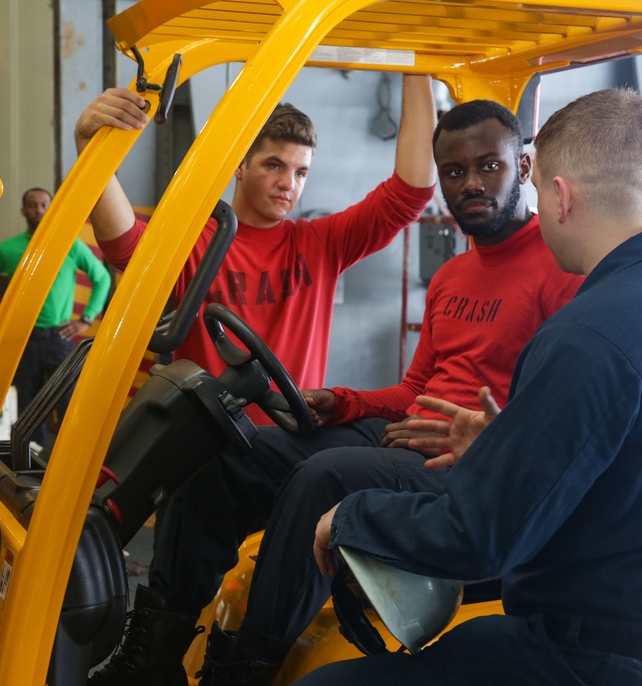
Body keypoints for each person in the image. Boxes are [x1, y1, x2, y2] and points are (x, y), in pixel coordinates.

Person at [88, 99, 583, 686]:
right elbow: (413, 390)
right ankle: (155, 652)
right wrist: (344, 401)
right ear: (240, 168)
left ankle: (240, 676)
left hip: (467, 462)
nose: (470, 184)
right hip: (403, 436)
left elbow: (567, 418)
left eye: (488, 167)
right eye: (454, 172)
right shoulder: (453, 276)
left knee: (326, 475)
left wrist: (490, 438)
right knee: (220, 456)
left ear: (524, 168)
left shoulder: (560, 270)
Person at [286, 88, 642, 686]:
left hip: (587, 665)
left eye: (538, 191)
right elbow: (636, 478)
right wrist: (505, 449)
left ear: (560, 195)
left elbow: (478, 539)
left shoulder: (588, 333)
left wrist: (351, 516)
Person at [74, 76, 437, 425]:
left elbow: (411, 194)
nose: (288, 184)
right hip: (210, 449)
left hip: (291, 445)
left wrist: (417, 66)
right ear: (240, 165)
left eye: (301, 172)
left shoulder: (322, 244)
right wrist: (90, 148)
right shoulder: (199, 243)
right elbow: (124, 245)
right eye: (274, 165)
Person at [0, 187, 111, 447]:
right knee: (29, 408)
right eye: (33, 205)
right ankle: (31, 469)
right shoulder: (9, 249)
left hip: (60, 338)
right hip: (25, 341)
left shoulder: (70, 245)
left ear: (51, 208)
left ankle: (69, 459)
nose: (39, 210)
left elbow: (102, 278)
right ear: (24, 211)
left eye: (44, 205)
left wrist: (86, 318)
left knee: (68, 405)